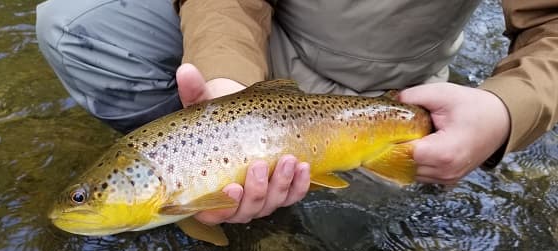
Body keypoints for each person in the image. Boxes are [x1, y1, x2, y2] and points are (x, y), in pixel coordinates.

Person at [35, 0, 558, 226]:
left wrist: (503, 112)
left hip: (387, 84)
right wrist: (225, 78)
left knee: (347, 242)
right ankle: (242, 192)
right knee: (75, 25)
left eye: (85, 197)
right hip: (258, 54)